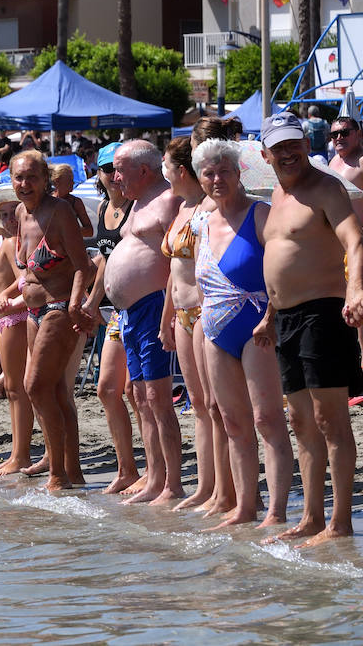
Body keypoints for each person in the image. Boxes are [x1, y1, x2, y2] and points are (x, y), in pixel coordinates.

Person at [257, 112, 363, 547]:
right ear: (265, 153)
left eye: (294, 144)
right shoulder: (276, 193)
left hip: (323, 313)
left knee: (329, 419)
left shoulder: (327, 188)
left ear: (306, 144)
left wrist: (356, 288)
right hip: (285, 319)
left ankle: (339, 523)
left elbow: (354, 239)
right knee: (299, 420)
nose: (287, 153)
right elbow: (280, 261)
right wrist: (269, 314)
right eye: (278, 147)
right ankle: (310, 517)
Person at [190, 138, 292, 530]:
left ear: (239, 173)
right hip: (215, 328)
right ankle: (245, 507)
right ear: (201, 178)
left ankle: (276, 512)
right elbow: (200, 283)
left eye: (224, 171)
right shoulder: (203, 222)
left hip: (257, 324)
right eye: (209, 173)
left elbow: (281, 269)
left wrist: (271, 315)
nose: (217, 179)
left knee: (266, 418)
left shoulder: (260, 214)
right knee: (232, 422)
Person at [107, 141, 185, 506]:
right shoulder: (136, 203)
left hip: (155, 307)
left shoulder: (169, 200)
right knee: (139, 397)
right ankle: (154, 477)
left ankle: (172, 482)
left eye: (120, 169)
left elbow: (181, 259)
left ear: (144, 170)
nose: (113, 177)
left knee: (158, 397)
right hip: (129, 313)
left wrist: (170, 313)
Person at [11, 150, 91, 491]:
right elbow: (26, 268)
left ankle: (57, 473)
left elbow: (83, 265)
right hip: (32, 311)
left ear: (46, 180)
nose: (25, 184)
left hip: (59, 308)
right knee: (56, 391)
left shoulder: (59, 212)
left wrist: (75, 302)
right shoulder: (19, 212)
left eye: (32, 177)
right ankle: (71, 471)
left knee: (34, 387)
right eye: (19, 178)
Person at [159, 137, 219, 512]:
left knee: (214, 404)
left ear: (181, 170)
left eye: (165, 166)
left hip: (203, 308)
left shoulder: (208, 208)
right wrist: (166, 316)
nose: (165, 174)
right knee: (197, 404)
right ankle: (204, 486)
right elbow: (172, 270)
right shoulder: (181, 207)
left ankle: (220, 490)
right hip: (180, 313)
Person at [86, 142, 140, 493]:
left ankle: (156, 470)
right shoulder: (105, 207)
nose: (114, 176)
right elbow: (105, 259)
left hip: (144, 308)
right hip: (116, 311)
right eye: (108, 170)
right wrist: (89, 299)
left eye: (120, 170)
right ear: (100, 174)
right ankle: (127, 469)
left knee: (138, 393)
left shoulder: (138, 207)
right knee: (107, 389)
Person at [0, 188, 35, 477]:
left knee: (17, 390)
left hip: (14, 317)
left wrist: (4, 296)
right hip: (6, 318)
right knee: (14, 389)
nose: (8, 219)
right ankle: (19, 452)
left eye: (11, 213)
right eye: (2, 215)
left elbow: (24, 279)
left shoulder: (12, 243)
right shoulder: (6, 242)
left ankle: (20, 454)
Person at [326, 115, 363, 377]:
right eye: (334, 134)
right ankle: (354, 362)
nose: (338, 138)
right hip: (337, 245)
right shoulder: (332, 162)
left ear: (359, 134)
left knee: (362, 307)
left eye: (344, 132)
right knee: (343, 307)